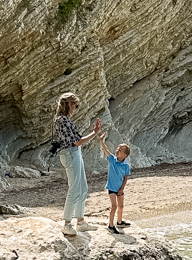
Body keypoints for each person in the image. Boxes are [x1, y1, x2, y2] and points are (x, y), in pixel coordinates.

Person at [51, 93, 103, 237]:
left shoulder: (63, 119)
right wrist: (95, 132)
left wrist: (94, 132)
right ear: (67, 104)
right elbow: (77, 141)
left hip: (74, 153)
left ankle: (80, 222)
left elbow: (77, 141)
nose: (76, 107)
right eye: (74, 104)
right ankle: (67, 224)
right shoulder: (62, 120)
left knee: (83, 188)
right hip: (70, 153)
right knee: (74, 189)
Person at [99, 135, 132, 234]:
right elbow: (106, 150)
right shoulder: (112, 160)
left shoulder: (126, 165)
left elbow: (125, 177)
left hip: (120, 188)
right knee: (114, 206)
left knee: (121, 206)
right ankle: (110, 225)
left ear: (124, 155)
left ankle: (119, 221)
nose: (117, 150)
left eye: (120, 150)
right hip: (112, 188)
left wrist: (122, 189)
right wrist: (101, 141)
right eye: (117, 149)